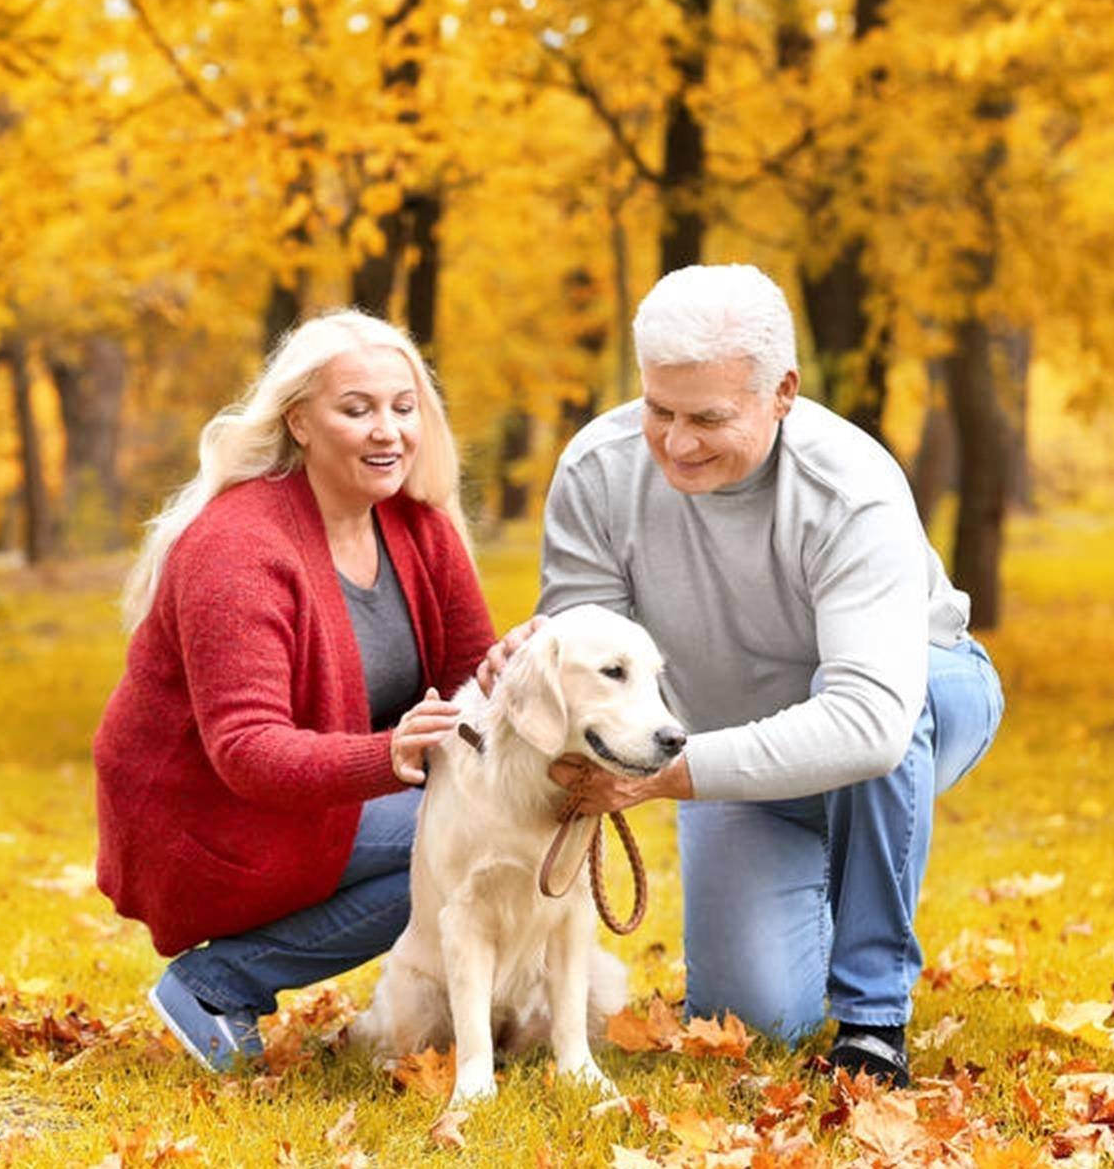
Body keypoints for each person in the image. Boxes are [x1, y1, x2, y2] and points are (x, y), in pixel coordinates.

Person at [505, 264, 1005, 1087]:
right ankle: (802, 880)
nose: (676, 441)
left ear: (783, 392)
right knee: (754, 1014)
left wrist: (668, 773)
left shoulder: (850, 489)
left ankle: (873, 1018)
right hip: (725, 743)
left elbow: (867, 721)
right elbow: (590, 669)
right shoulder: (598, 470)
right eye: (659, 409)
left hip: (919, 704)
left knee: (888, 718)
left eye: (709, 417)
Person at [94, 310, 491, 1071]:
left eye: (403, 408)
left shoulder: (415, 525)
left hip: (313, 802)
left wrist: (517, 677)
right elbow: (246, 750)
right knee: (464, 837)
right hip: (209, 819)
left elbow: (472, 671)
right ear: (300, 421)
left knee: (490, 825)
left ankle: (498, 1009)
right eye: (357, 409)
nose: (388, 431)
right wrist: (392, 753)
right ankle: (215, 984)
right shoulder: (238, 545)